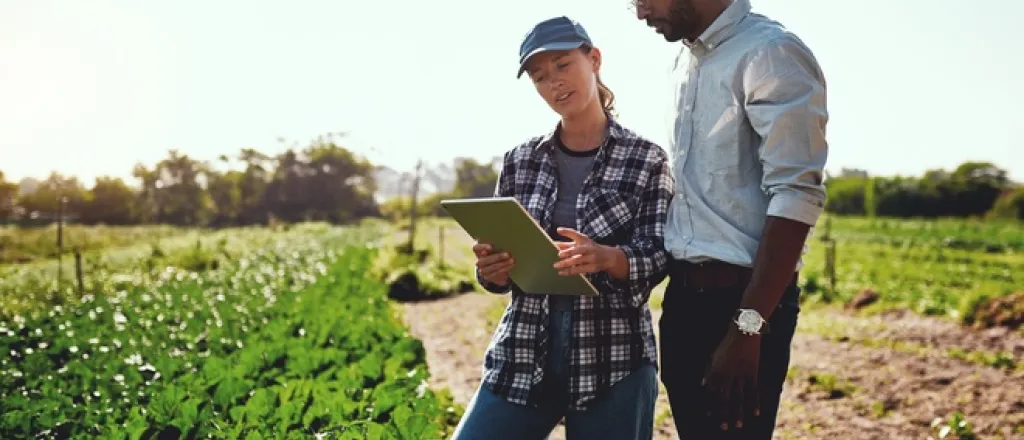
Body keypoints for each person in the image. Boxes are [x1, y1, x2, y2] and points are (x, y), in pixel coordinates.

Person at [449, 15, 675, 440]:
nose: (553, 82)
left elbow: (661, 254)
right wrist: (492, 270)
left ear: (594, 60)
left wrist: (608, 258)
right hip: (523, 351)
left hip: (613, 359)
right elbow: (498, 268)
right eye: (539, 76)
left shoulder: (647, 159)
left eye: (562, 65)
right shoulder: (519, 161)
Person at [633, 0, 829, 438]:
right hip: (683, 301)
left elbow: (795, 194)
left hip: (743, 306)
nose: (641, 12)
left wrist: (748, 327)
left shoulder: (770, 53)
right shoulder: (684, 61)